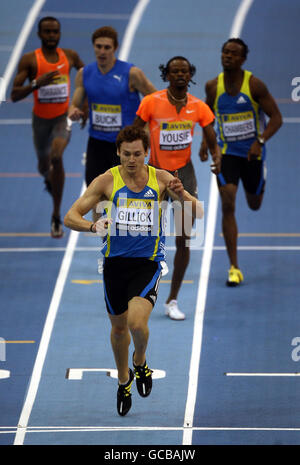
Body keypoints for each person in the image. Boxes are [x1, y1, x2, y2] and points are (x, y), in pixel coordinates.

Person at [64, 125, 203, 416]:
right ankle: (124, 380)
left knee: (136, 324)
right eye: (126, 154)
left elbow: (196, 214)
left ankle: (139, 361)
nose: (131, 159)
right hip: (114, 265)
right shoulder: (106, 181)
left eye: (137, 154)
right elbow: (70, 216)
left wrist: (182, 196)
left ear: (146, 153)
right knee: (117, 328)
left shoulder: (162, 179)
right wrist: (93, 225)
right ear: (118, 152)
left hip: (147, 264)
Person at [134, 56, 221, 320]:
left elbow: (210, 134)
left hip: (184, 174)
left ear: (190, 75)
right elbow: (133, 135)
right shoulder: (151, 102)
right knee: (145, 235)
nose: (180, 75)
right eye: (175, 71)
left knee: (184, 238)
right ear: (167, 75)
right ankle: (139, 292)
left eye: (184, 71)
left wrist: (215, 155)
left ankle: (172, 300)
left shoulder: (198, 107)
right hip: (154, 174)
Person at [200, 38, 282, 286]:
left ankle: (259, 179)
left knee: (254, 203)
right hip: (226, 153)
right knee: (227, 201)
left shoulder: (254, 85)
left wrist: (260, 140)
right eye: (225, 52)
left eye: (234, 54)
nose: (228, 56)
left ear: (243, 59)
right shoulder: (213, 86)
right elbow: (207, 116)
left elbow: (277, 118)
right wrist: (206, 143)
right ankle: (234, 267)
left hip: (252, 155)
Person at [68, 25, 156, 220]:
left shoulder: (131, 73)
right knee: (96, 196)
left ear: (115, 48)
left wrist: (143, 128)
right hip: (97, 143)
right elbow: (75, 102)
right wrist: (74, 111)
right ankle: (104, 240)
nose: (102, 51)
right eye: (98, 46)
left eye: (107, 47)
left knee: (125, 195)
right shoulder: (85, 73)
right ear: (93, 47)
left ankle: (127, 236)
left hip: (125, 145)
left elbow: (154, 98)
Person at [10, 16, 85, 238]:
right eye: (47, 32)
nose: (52, 36)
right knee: (43, 165)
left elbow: (88, 77)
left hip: (62, 119)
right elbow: (14, 95)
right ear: (39, 34)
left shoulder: (69, 56)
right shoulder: (30, 60)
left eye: (55, 32)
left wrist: (85, 104)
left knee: (56, 156)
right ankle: (47, 177)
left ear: (59, 34)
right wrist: (36, 83)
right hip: (40, 122)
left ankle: (55, 215)